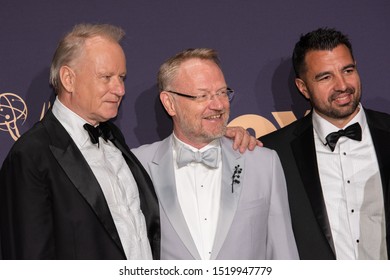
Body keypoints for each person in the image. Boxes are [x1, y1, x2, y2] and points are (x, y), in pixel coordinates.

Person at [0, 24, 258, 260]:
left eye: (121, 78)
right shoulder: (31, 156)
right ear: (69, 79)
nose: (120, 89)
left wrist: (215, 130)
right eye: (106, 77)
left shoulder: (115, 140)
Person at [132, 48, 299, 260]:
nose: (219, 105)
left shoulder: (264, 164)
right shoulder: (137, 166)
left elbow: (283, 253)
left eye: (222, 92)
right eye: (203, 96)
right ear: (169, 103)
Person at [259, 27, 390, 260]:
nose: (342, 85)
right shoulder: (272, 152)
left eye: (347, 70)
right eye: (325, 77)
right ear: (302, 87)